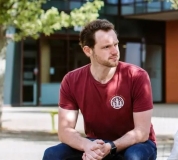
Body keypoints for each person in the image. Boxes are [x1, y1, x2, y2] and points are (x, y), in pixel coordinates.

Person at [43, 19, 157, 160]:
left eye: (116, 44)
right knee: (53, 154)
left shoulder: (137, 76)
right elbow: (64, 131)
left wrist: (111, 147)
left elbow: (142, 132)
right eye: (106, 47)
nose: (115, 51)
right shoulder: (72, 80)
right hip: (97, 142)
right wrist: (86, 145)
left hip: (135, 144)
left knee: (134, 157)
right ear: (87, 50)